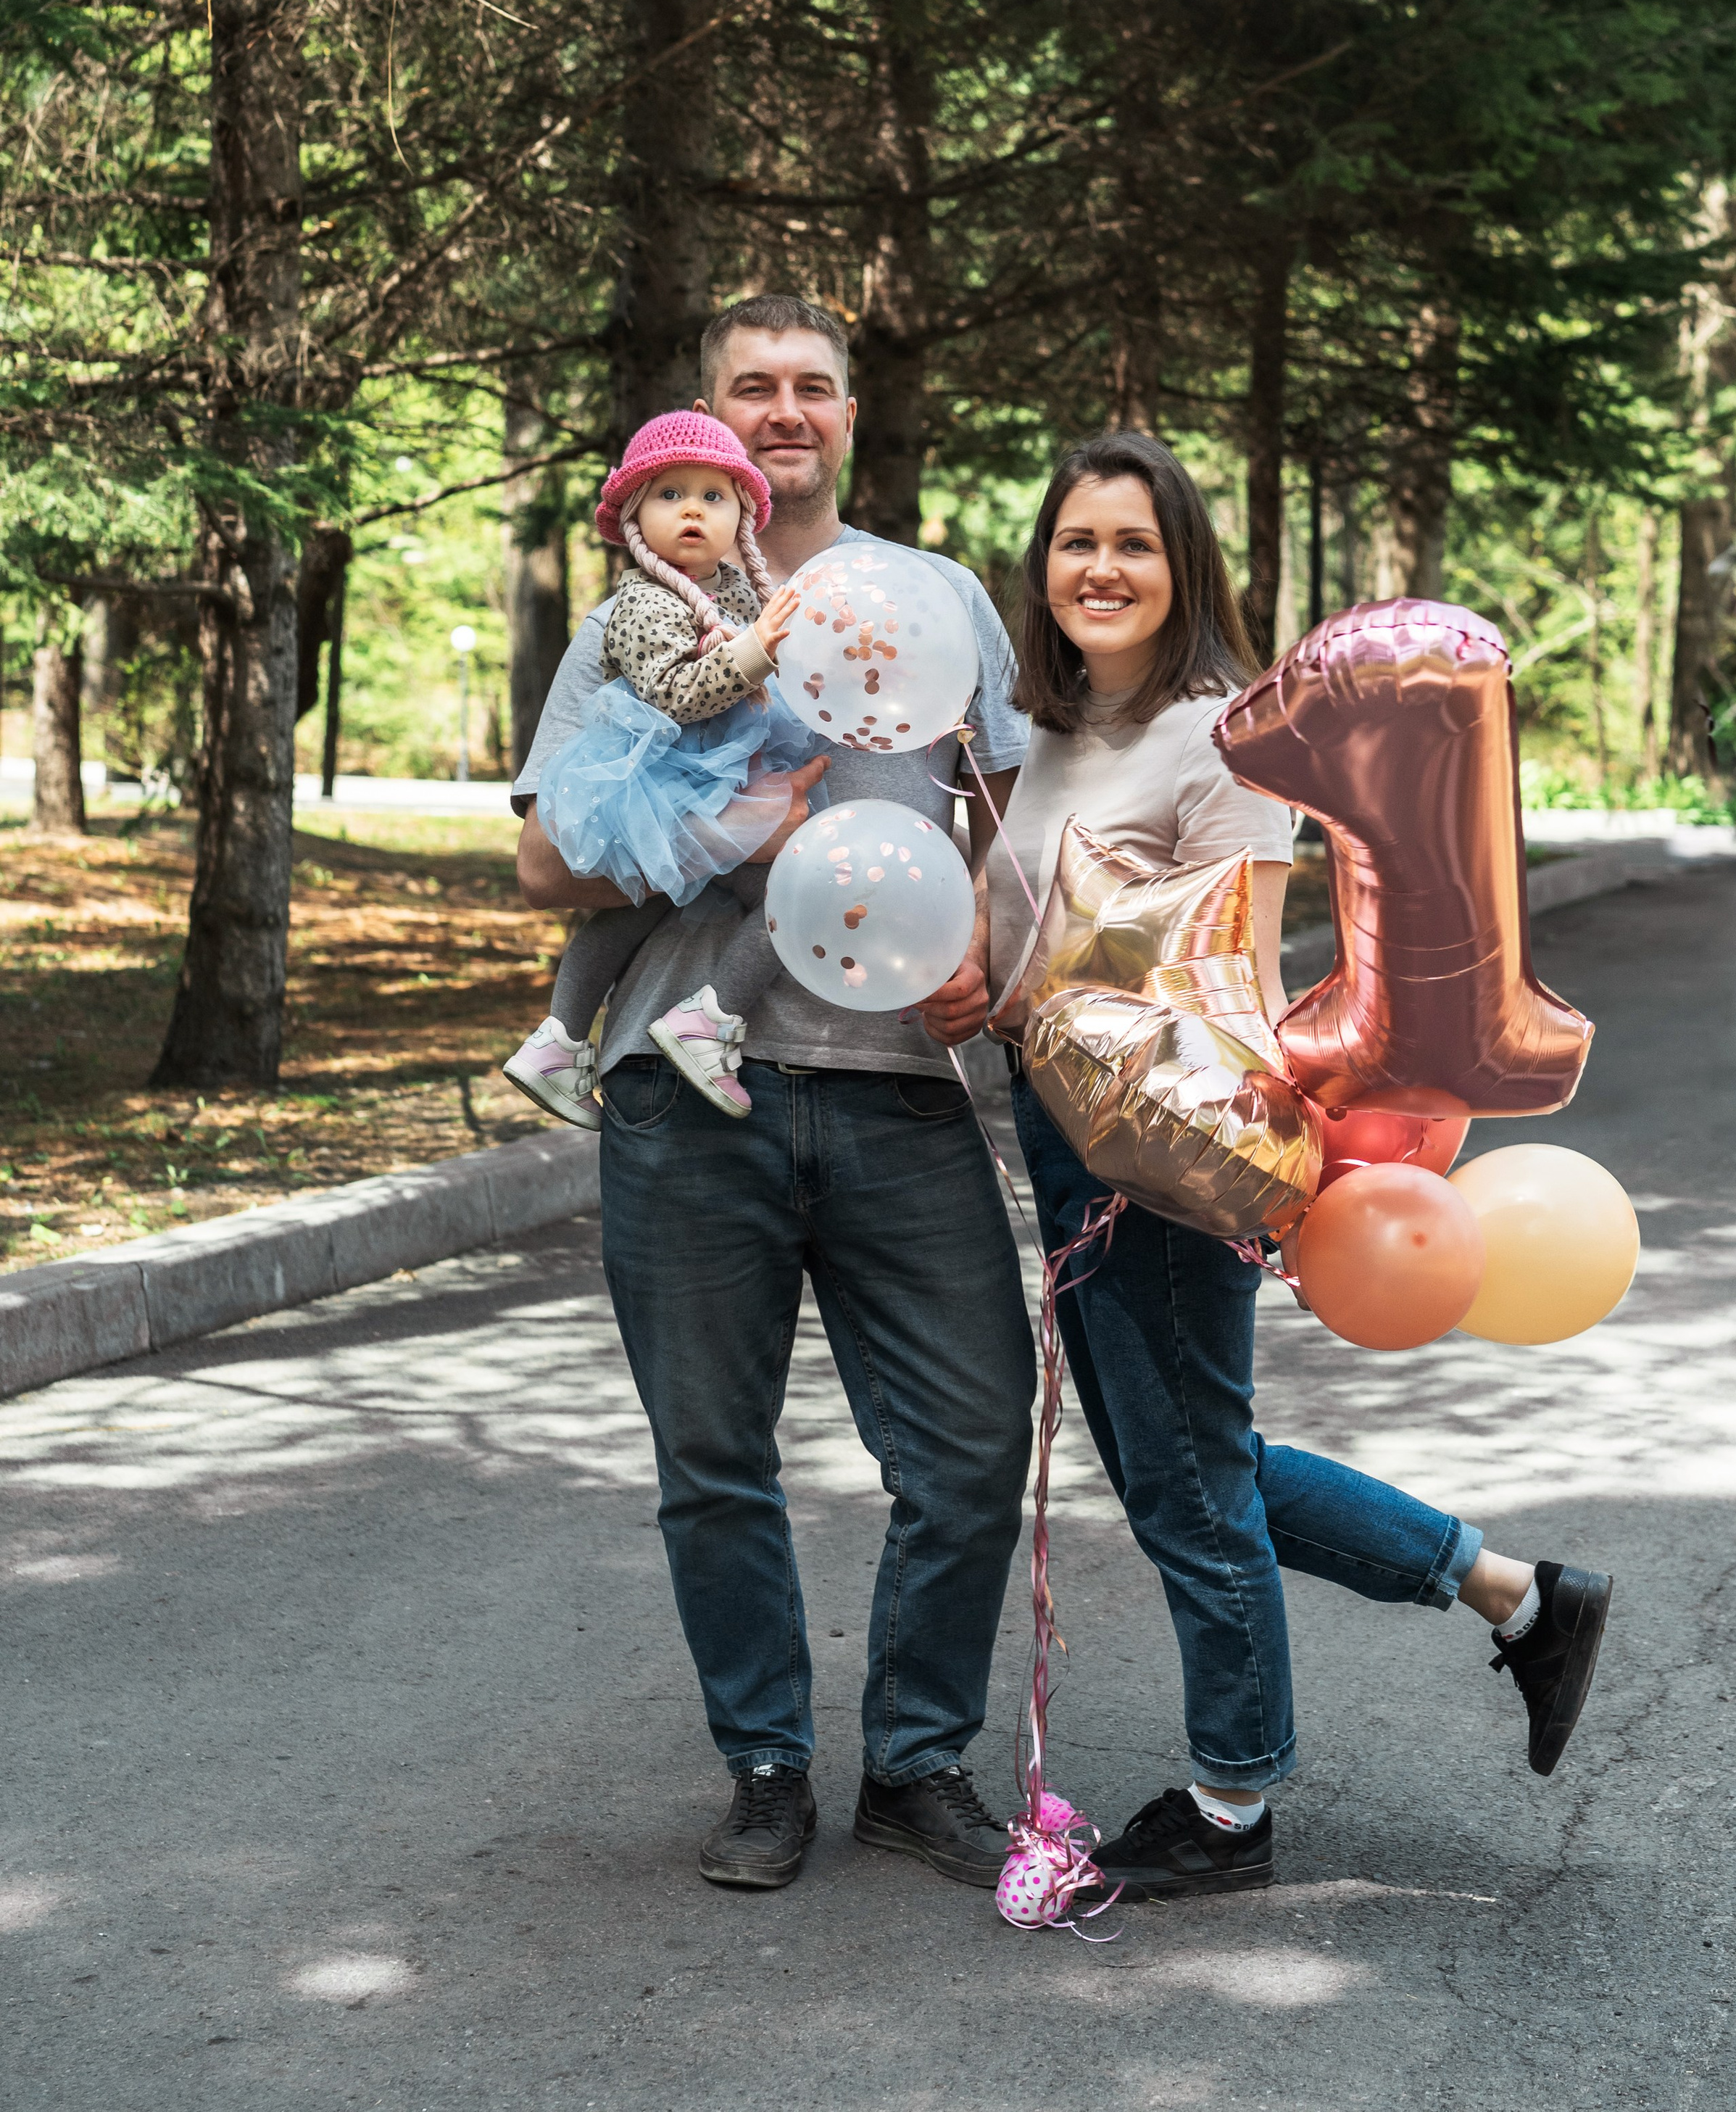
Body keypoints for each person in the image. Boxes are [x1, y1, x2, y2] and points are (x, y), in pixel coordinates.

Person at [989, 430, 1614, 1902]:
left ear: (1180, 564)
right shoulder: (1048, 732)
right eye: (1076, 542)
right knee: (1200, 1467)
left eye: (1131, 544)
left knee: (1191, 1488)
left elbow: (1230, 987)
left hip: (1154, 1136)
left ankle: (1229, 1809)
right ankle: (1521, 1599)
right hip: (1057, 1125)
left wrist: (1215, 1174)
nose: (1099, 568)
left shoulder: (1220, 740)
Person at [512, 294, 1036, 1893]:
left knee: (967, 1441)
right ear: (713, 427)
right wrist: (707, 828)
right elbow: (542, 860)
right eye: (755, 389)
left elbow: (1017, 839)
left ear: (852, 416)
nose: (787, 409)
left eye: (815, 385)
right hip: (686, 1096)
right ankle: (761, 1765)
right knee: (712, 1458)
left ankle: (918, 1761)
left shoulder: (937, 598)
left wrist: (998, 977)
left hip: (898, 1086)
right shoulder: (642, 612)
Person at [501, 410, 810, 1126]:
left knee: (651, 901)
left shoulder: (731, 590)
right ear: (636, 516)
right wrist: (757, 651)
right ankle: (709, 1020)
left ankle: (558, 1041)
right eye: (670, 495)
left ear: (742, 517)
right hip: (663, 784)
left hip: (692, 780)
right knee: (791, 894)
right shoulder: (641, 602)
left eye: (714, 495)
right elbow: (679, 692)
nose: (694, 510)